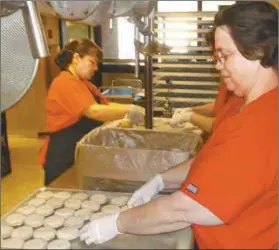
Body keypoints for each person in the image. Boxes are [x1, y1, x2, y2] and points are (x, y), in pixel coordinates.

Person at [79, 2, 278, 249]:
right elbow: (212, 160)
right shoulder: (245, 105)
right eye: (216, 57)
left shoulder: (262, 125)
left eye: (225, 56)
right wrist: (162, 180)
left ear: (258, 50)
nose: (217, 65)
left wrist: (118, 223)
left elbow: (186, 209)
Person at [39, 38, 145, 186]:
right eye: (92, 62)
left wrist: (133, 110)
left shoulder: (84, 83)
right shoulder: (65, 82)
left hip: (78, 150)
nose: (95, 68)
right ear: (76, 58)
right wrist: (130, 110)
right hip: (63, 154)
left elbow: (105, 105)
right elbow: (94, 111)